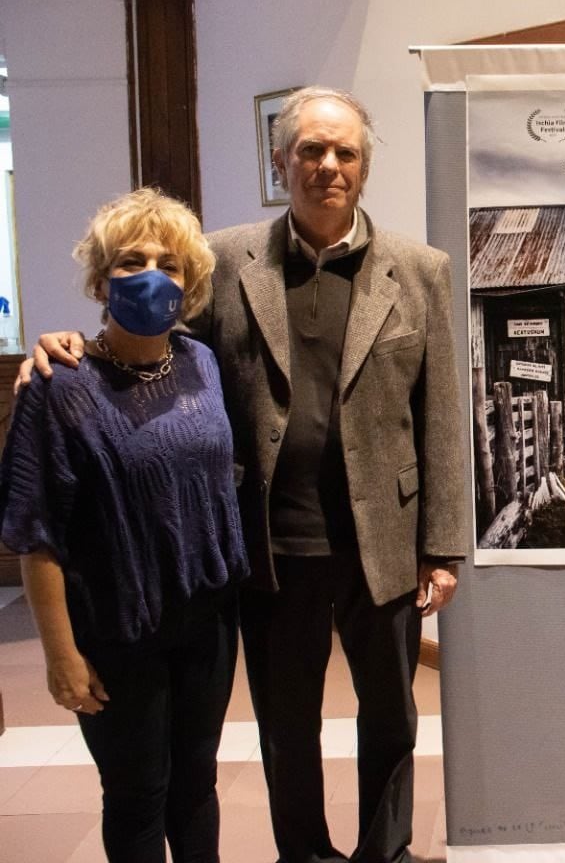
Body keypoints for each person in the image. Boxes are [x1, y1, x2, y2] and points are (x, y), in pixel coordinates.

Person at [27, 87, 470, 863]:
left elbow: (441, 413)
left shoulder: (421, 269)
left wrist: (444, 545)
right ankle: (303, 851)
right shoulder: (227, 260)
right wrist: (63, 341)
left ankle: (385, 851)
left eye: (345, 152)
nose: (328, 166)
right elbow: (149, 343)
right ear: (281, 161)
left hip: (388, 544)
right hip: (268, 548)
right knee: (286, 723)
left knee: (392, 718)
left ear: (364, 167)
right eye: (310, 150)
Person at [0, 189, 245, 862]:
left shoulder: (201, 364)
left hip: (206, 623)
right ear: (101, 279)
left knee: (197, 785)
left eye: (168, 262)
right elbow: (36, 532)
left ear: (189, 281)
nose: (150, 274)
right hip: (115, 627)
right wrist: (59, 656)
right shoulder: (61, 386)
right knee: (138, 794)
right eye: (130, 260)